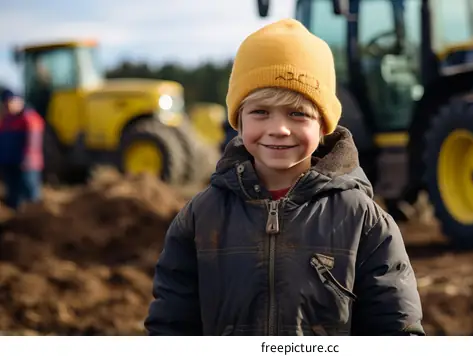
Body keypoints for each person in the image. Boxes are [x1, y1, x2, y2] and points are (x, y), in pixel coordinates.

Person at [144, 18, 424, 336]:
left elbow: (396, 330)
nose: (279, 128)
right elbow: (171, 327)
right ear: (238, 121)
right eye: (260, 112)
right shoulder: (200, 219)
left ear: (323, 127)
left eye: (298, 113)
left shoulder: (364, 221)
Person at [0, 89, 45, 210]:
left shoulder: (30, 119)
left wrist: (27, 160)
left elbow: (33, 143)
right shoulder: (6, 120)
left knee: (30, 194)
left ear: (19, 101)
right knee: (13, 195)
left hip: (27, 165)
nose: (8, 105)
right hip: (10, 163)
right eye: (5, 102)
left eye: (10, 101)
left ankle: (35, 219)